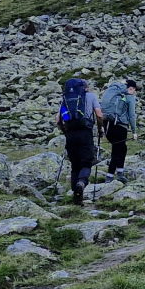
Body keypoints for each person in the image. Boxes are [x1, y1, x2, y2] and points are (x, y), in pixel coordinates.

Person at [57, 77, 103, 205]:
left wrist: (65, 131)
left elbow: (58, 120)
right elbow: (99, 115)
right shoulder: (91, 96)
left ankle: (76, 197)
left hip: (70, 134)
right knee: (86, 163)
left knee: (75, 165)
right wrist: (100, 129)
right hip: (85, 132)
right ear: (85, 87)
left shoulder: (66, 98)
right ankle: (81, 183)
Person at [101, 79, 138, 182]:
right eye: (134, 90)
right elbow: (132, 115)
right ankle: (110, 176)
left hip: (108, 125)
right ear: (131, 88)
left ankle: (119, 172)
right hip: (121, 127)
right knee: (117, 151)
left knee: (122, 148)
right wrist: (134, 131)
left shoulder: (115, 95)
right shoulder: (130, 98)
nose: (134, 92)